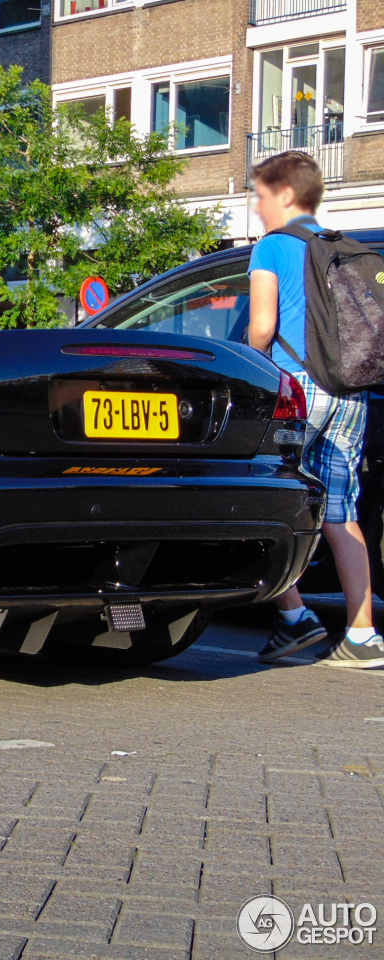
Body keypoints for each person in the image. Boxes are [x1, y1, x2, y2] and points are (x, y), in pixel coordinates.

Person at [246, 151, 381, 668]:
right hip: (350, 390)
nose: (257, 205)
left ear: (284, 196)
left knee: (271, 500)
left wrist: (250, 369)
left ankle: (296, 619)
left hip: (297, 388)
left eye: (261, 195)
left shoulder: (274, 247)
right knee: (341, 511)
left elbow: (261, 327)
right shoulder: (340, 248)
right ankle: (363, 634)